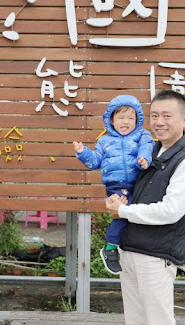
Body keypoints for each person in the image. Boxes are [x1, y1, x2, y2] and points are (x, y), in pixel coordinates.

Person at [106, 89, 185, 325]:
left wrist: (124, 212)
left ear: (184, 120)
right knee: (136, 320)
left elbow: (170, 210)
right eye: (154, 115)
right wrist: (115, 199)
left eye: (167, 116)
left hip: (156, 257)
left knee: (157, 320)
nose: (159, 122)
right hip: (129, 250)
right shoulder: (148, 152)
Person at [73, 94, 154, 275]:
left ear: (138, 119)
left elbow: (147, 147)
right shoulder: (104, 141)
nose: (126, 122)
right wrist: (83, 152)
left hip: (139, 183)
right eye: (121, 117)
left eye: (130, 118)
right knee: (122, 214)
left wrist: (144, 158)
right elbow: (94, 162)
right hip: (117, 185)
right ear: (111, 120)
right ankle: (110, 247)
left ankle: (121, 247)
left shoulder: (142, 135)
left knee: (135, 215)